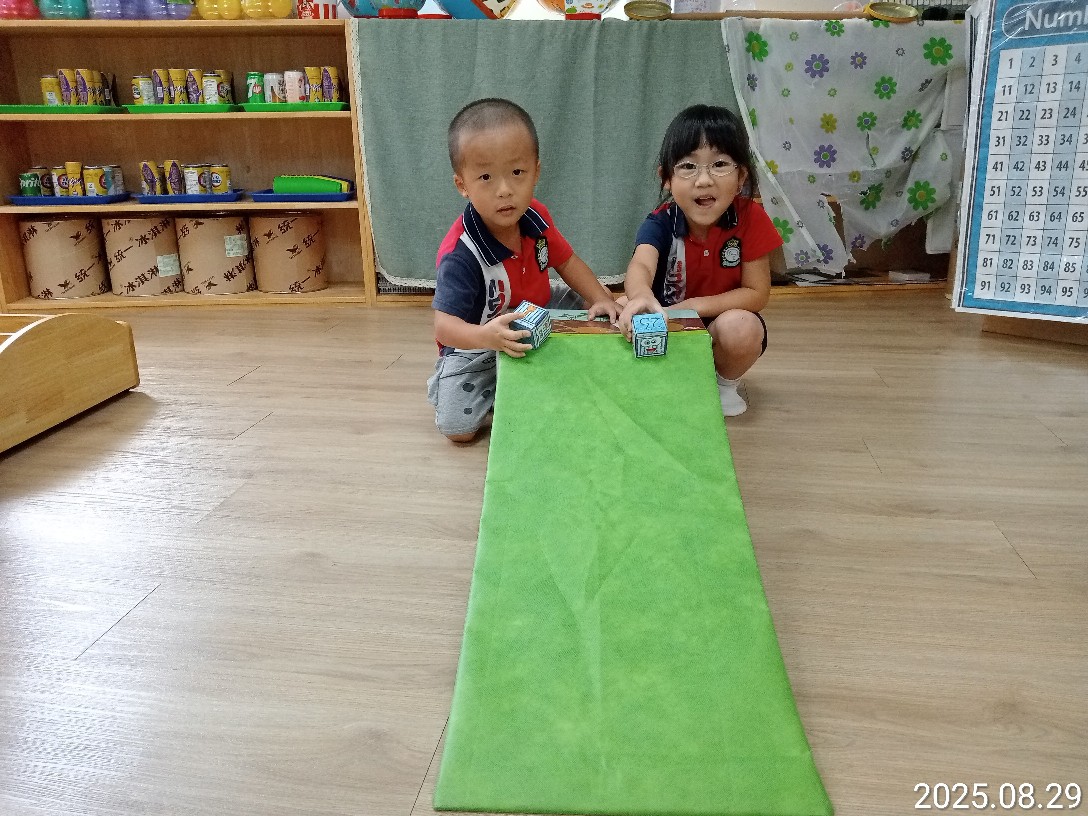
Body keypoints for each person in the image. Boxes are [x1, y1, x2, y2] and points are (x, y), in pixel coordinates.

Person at [428, 98, 620, 442]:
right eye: (486, 177)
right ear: (462, 185)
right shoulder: (462, 253)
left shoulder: (536, 216)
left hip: (538, 307)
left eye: (517, 173)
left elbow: (567, 262)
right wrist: (487, 338)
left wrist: (599, 298)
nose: (505, 190)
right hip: (480, 340)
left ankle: (539, 368)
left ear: (536, 171)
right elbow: (445, 327)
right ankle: (491, 384)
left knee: (600, 300)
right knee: (457, 430)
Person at [618, 104, 783, 416]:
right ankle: (661, 375)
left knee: (742, 327)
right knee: (621, 305)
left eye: (719, 164)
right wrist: (640, 296)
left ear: (741, 176)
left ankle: (722, 385)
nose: (704, 180)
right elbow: (641, 264)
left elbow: (756, 293)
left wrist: (691, 306)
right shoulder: (661, 221)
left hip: (719, 326)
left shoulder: (751, 218)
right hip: (668, 323)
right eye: (687, 166)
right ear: (666, 179)